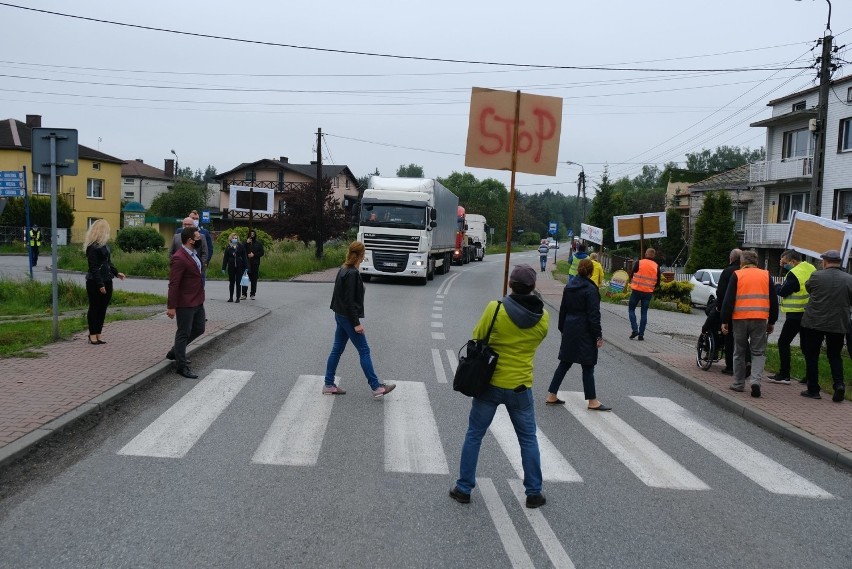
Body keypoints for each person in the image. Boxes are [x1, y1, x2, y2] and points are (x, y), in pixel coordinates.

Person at [449, 264, 549, 508]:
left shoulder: (496, 309)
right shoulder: (542, 317)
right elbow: (538, 339)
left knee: (475, 434)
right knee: (528, 439)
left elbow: (478, 334)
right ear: (533, 287)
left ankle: (464, 488)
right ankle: (533, 493)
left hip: (490, 384)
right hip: (520, 386)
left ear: (511, 285)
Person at [322, 241, 395, 398]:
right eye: (364, 253)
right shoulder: (352, 273)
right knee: (364, 350)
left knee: (337, 350)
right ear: (361, 255)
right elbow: (349, 301)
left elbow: (337, 296)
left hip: (340, 315)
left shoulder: (343, 269)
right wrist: (356, 324)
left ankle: (328, 384)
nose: (364, 257)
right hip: (348, 317)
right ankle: (376, 387)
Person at [545, 259, 610, 411]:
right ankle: (592, 401)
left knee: (565, 362)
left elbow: (563, 309)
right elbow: (594, 315)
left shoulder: (569, 286)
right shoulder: (590, 289)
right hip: (585, 329)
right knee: (588, 365)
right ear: (591, 272)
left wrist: (562, 328)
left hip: (570, 326)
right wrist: (598, 335)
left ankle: (551, 395)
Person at [720, 250, 778, 398]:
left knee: (739, 351)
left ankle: (738, 384)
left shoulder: (737, 275)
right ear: (756, 262)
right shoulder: (766, 275)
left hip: (739, 318)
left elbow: (729, 299)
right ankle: (755, 382)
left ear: (742, 262)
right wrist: (772, 321)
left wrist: (725, 320)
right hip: (760, 319)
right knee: (758, 352)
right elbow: (773, 299)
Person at [799, 249, 852, 402]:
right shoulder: (849, 279)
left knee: (812, 355)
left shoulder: (816, 276)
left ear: (825, 261)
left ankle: (813, 389)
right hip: (838, 323)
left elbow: (809, 288)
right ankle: (839, 385)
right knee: (835, 355)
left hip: (815, 322)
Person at [769, 250, 816, 385]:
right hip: (809, 312)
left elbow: (784, 292)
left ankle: (784, 374)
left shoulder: (793, 274)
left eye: (785, 262)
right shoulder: (810, 267)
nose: (783, 265)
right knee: (806, 346)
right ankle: (810, 376)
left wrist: (777, 286)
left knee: (783, 342)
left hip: (795, 314)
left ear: (793, 261)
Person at [166, 227, 206, 379]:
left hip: (197, 300)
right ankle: (181, 366)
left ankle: (175, 351)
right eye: (197, 237)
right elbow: (174, 284)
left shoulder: (193, 254)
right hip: (185, 302)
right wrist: (171, 306)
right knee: (183, 333)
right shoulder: (179, 258)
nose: (200, 239)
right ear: (190, 240)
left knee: (199, 328)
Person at [83, 219, 126, 345]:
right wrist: (100, 284)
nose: (108, 232)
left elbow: (108, 263)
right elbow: (93, 267)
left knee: (103, 308)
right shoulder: (92, 247)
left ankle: (98, 333)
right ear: (101, 230)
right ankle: (92, 334)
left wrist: (116, 273)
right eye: (106, 230)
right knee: (94, 307)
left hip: (107, 279)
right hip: (95, 281)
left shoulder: (105, 245)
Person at [716, 248, 744, 375]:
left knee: (729, 337)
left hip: (731, 309)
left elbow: (721, 292)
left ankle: (730, 366)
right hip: (747, 311)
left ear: (731, 258)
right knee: (743, 339)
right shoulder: (746, 271)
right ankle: (746, 363)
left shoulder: (728, 272)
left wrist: (720, 309)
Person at [628, 247, 661, 341]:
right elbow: (658, 281)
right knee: (644, 313)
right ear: (654, 256)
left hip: (636, 290)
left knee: (631, 309)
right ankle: (641, 335)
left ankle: (635, 329)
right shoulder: (656, 266)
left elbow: (632, 274)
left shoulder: (639, 262)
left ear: (646, 254)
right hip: (648, 293)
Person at [221, 232, 248, 303]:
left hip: (239, 266)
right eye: (233, 238)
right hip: (231, 266)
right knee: (231, 282)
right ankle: (230, 297)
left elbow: (244, 257)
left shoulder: (241, 246)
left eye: (236, 238)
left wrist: (246, 266)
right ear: (231, 239)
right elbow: (225, 258)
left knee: (238, 282)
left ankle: (238, 298)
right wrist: (223, 268)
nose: (234, 239)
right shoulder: (228, 247)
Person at [242, 229, 265, 300]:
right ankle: (244, 294)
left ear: (255, 235)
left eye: (253, 234)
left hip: (255, 263)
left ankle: (252, 294)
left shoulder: (258, 243)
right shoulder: (245, 243)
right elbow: (241, 250)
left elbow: (262, 252)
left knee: (254, 279)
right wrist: (246, 243)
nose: (252, 235)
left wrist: (254, 255)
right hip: (246, 263)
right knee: (245, 279)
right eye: (250, 234)